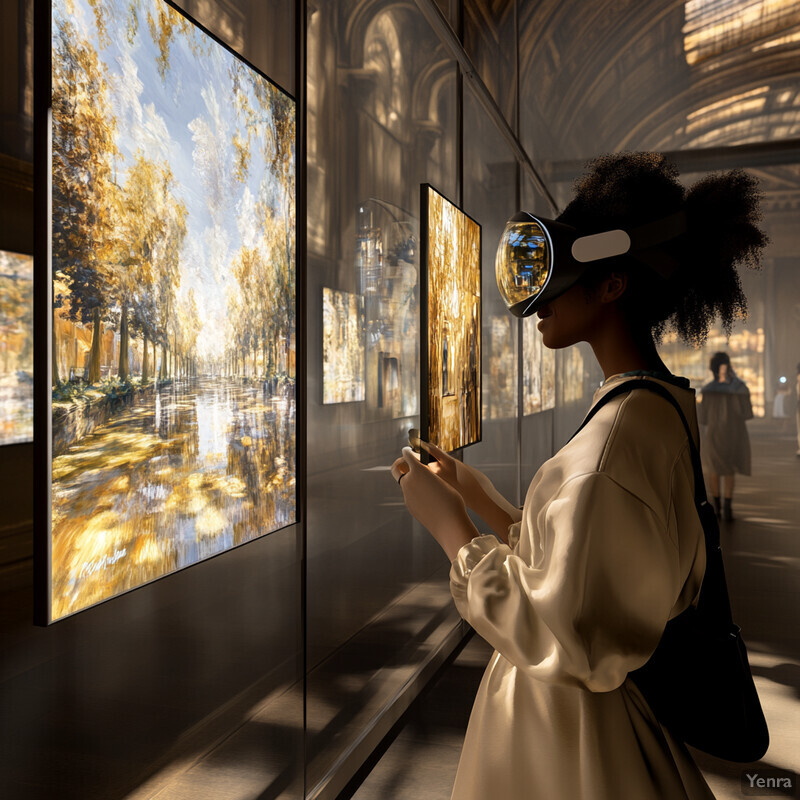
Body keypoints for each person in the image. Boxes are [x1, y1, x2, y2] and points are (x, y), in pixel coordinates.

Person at [391, 152, 766, 800]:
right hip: (588, 727)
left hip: (567, 740)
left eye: (556, 269)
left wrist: (454, 532)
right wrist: (480, 497)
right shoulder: (651, 409)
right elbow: (583, 567)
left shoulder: (614, 444)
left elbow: (563, 630)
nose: (536, 298)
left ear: (613, 283)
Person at [697, 352, 753, 521]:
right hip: (734, 433)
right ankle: (728, 508)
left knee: (714, 469)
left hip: (714, 434)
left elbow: (703, 418)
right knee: (730, 469)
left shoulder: (707, 391)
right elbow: (747, 413)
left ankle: (717, 507)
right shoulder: (739, 388)